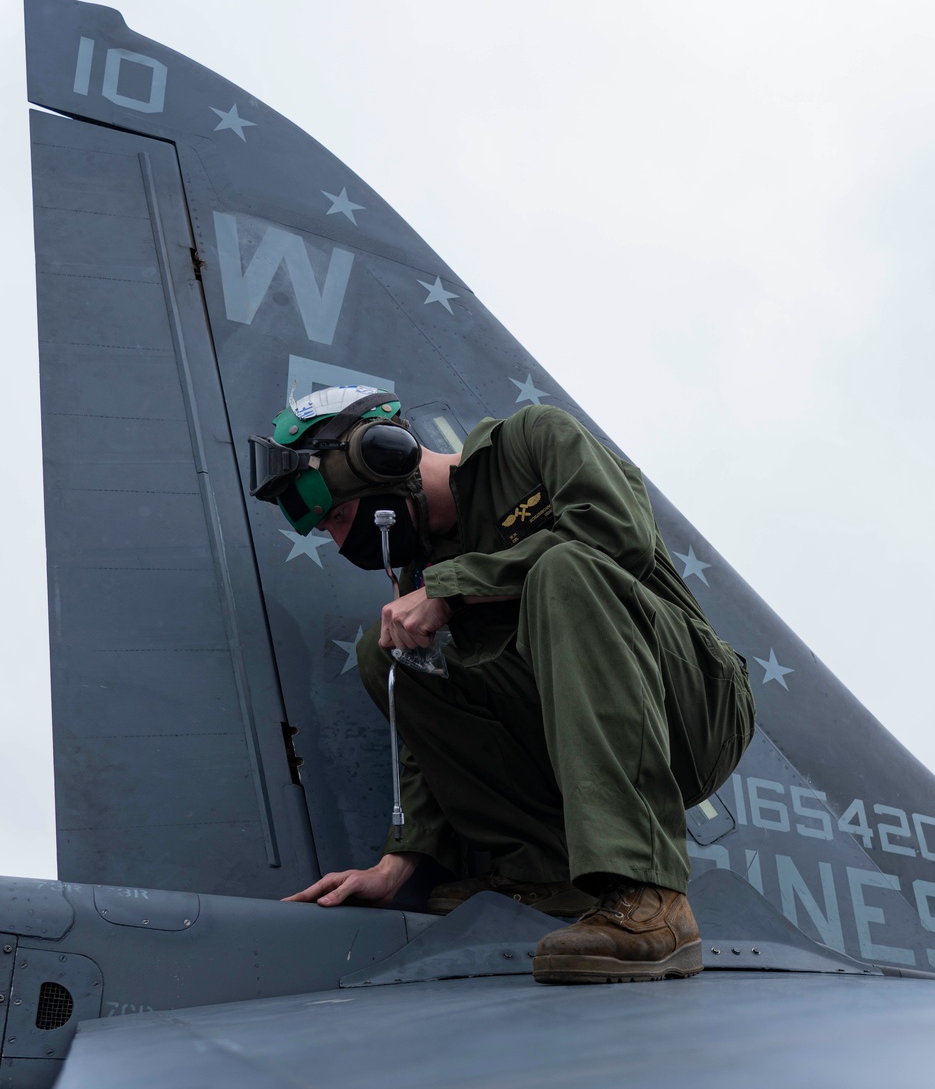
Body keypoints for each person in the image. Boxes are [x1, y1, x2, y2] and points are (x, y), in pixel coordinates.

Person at [249, 386, 755, 984]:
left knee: (567, 569)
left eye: (337, 516)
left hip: (691, 706)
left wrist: (455, 586)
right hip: (571, 734)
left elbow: (619, 537)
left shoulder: (535, 441)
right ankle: (548, 874)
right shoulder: (421, 567)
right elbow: (428, 739)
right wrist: (396, 862)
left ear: (387, 458)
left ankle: (651, 897)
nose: (338, 543)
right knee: (389, 658)